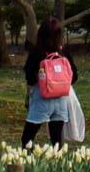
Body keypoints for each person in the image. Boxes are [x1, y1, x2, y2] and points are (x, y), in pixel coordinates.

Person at [22, 15, 77, 146]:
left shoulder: (36, 53)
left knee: (27, 138)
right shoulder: (63, 53)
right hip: (61, 101)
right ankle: (57, 159)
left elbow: (30, 78)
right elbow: (74, 76)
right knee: (56, 140)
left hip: (41, 99)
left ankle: (27, 158)